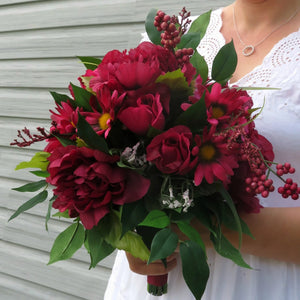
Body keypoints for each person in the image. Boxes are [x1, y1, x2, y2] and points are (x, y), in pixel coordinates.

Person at [104, 0, 300, 299]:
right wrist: (129, 233)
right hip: (157, 281)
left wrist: (204, 224)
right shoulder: (174, 36)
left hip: (264, 285)